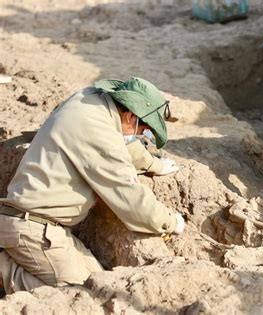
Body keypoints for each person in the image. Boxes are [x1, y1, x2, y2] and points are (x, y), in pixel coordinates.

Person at [0, 77, 185, 294]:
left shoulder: (90, 100)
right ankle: (5, 271)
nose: (141, 135)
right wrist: (171, 222)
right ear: (130, 115)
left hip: (45, 227)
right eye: (143, 129)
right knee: (81, 295)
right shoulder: (98, 130)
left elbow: (121, 142)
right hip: (34, 230)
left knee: (99, 280)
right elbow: (130, 197)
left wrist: (153, 163)